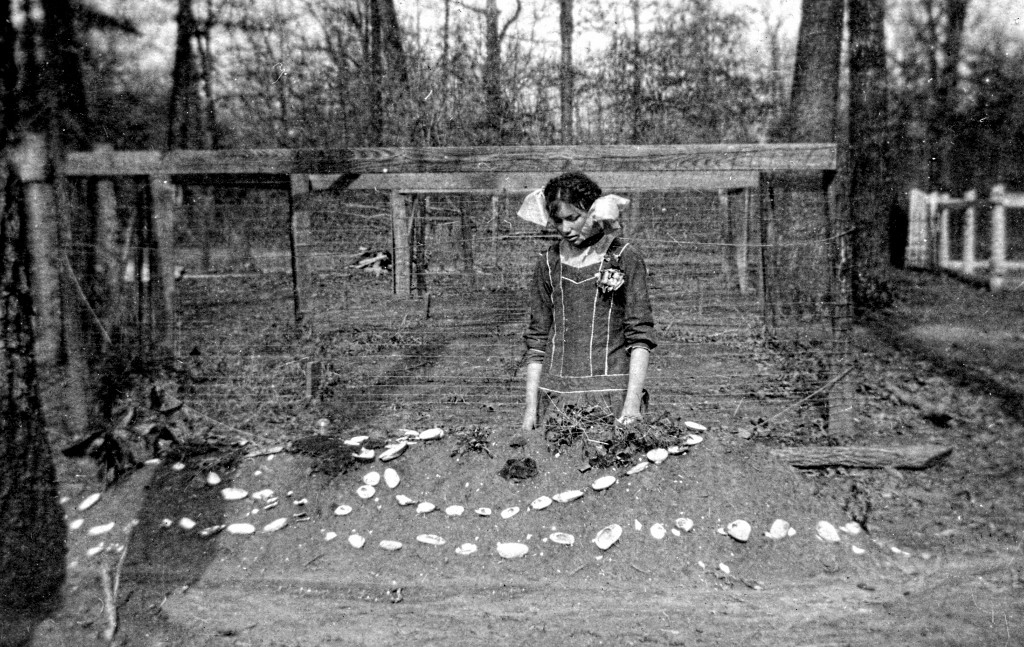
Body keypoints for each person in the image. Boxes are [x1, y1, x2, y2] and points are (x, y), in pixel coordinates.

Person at [519, 171, 656, 432]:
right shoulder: (548, 263)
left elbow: (640, 336)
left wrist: (631, 406)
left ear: (593, 211)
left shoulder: (624, 257)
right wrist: (530, 409)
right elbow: (537, 339)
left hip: (611, 396)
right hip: (556, 397)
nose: (565, 229)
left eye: (573, 218)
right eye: (558, 221)